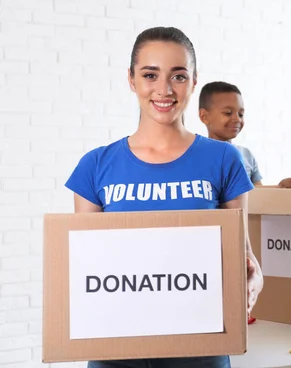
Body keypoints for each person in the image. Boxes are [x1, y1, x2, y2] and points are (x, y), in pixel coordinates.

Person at [64, 27, 263, 368]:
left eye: (179, 76)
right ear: (131, 79)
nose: (164, 90)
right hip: (117, 347)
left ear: (195, 81)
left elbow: (242, 252)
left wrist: (253, 274)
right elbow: (87, 266)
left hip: (202, 345)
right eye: (150, 75)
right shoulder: (95, 165)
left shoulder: (224, 160)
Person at [199, 81, 263, 186]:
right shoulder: (196, 157)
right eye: (228, 113)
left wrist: (282, 187)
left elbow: (259, 194)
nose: (237, 119)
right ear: (205, 116)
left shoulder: (247, 155)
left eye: (241, 114)